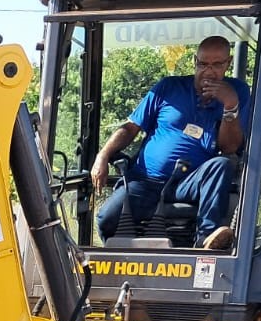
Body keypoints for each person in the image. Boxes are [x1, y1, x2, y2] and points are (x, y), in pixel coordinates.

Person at [91, 35, 250, 251]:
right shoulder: (168, 87)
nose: (209, 71)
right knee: (106, 218)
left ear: (228, 63)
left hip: (189, 182)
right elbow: (130, 128)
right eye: (203, 64)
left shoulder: (236, 92)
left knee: (221, 165)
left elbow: (230, 147)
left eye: (217, 64)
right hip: (145, 180)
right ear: (195, 61)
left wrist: (230, 106)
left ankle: (206, 239)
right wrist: (103, 156)